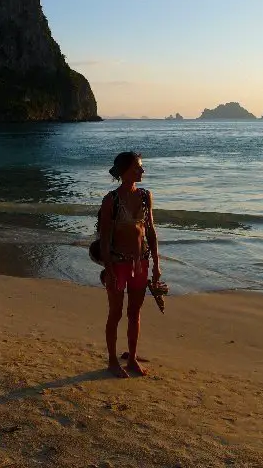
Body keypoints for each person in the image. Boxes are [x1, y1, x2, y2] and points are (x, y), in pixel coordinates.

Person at [98, 151, 161, 378]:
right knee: (115, 313)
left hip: (140, 263)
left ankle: (132, 358)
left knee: (135, 312)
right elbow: (104, 238)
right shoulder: (111, 200)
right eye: (137, 168)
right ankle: (113, 361)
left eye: (141, 167)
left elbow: (151, 231)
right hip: (117, 264)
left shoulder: (145, 196)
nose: (142, 171)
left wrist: (156, 264)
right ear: (124, 172)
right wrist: (109, 269)